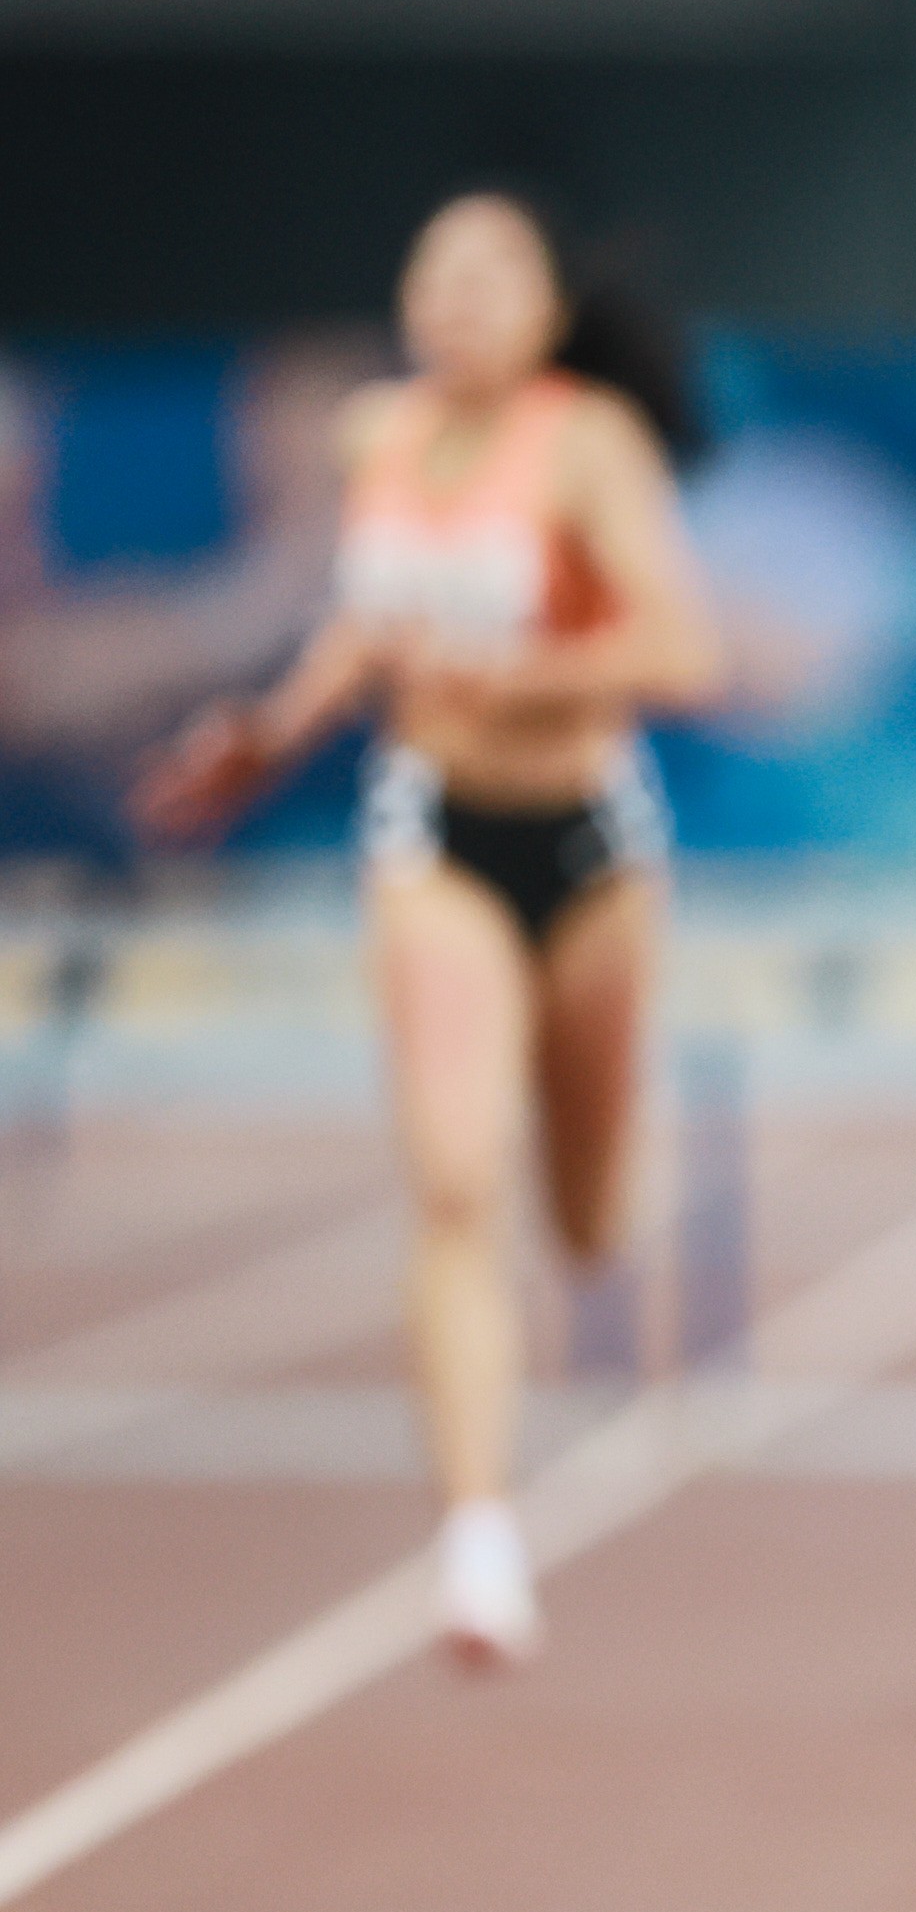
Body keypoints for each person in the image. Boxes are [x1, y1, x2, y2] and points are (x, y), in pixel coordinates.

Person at [134, 194, 724, 1669]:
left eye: (492, 274)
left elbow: (684, 650)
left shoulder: (586, 443)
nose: (458, 297)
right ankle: (478, 1540)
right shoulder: (372, 439)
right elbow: (360, 627)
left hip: (589, 842)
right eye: (435, 271)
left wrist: (504, 668)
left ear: (540, 312)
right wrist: (263, 738)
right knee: (457, 1183)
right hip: (432, 835)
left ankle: (601, 1171)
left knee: (585, 1225)